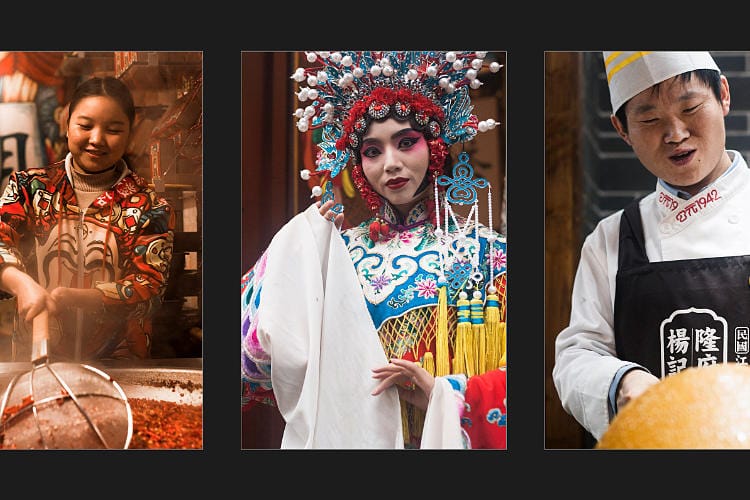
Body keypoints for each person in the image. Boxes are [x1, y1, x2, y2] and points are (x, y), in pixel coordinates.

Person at [241, 51, 507, 449]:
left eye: (406, 142)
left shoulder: (490, 255)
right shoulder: (337, 254)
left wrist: (443, 392)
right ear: (356, 161)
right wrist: (301, 251)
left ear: (435, 144)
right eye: (372, 151)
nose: (391, 164)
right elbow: (252, 366)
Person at [553, 51, 750, 443]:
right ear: (622, 129)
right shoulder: (612, 239)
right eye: (649, 120)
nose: (675, 133)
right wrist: (622, 381)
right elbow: (577, 355)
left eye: (690, 107)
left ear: (723, 95)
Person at [0, 75, 175, 361]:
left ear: (130, 134)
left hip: (120, 362)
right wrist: (22, 284)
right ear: (67, 125)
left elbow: (149, 285)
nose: (97, 139)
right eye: (85, 125)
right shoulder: (30, 187)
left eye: (113, 129)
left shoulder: (150, 205)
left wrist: (75, 298)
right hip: (38, 354)